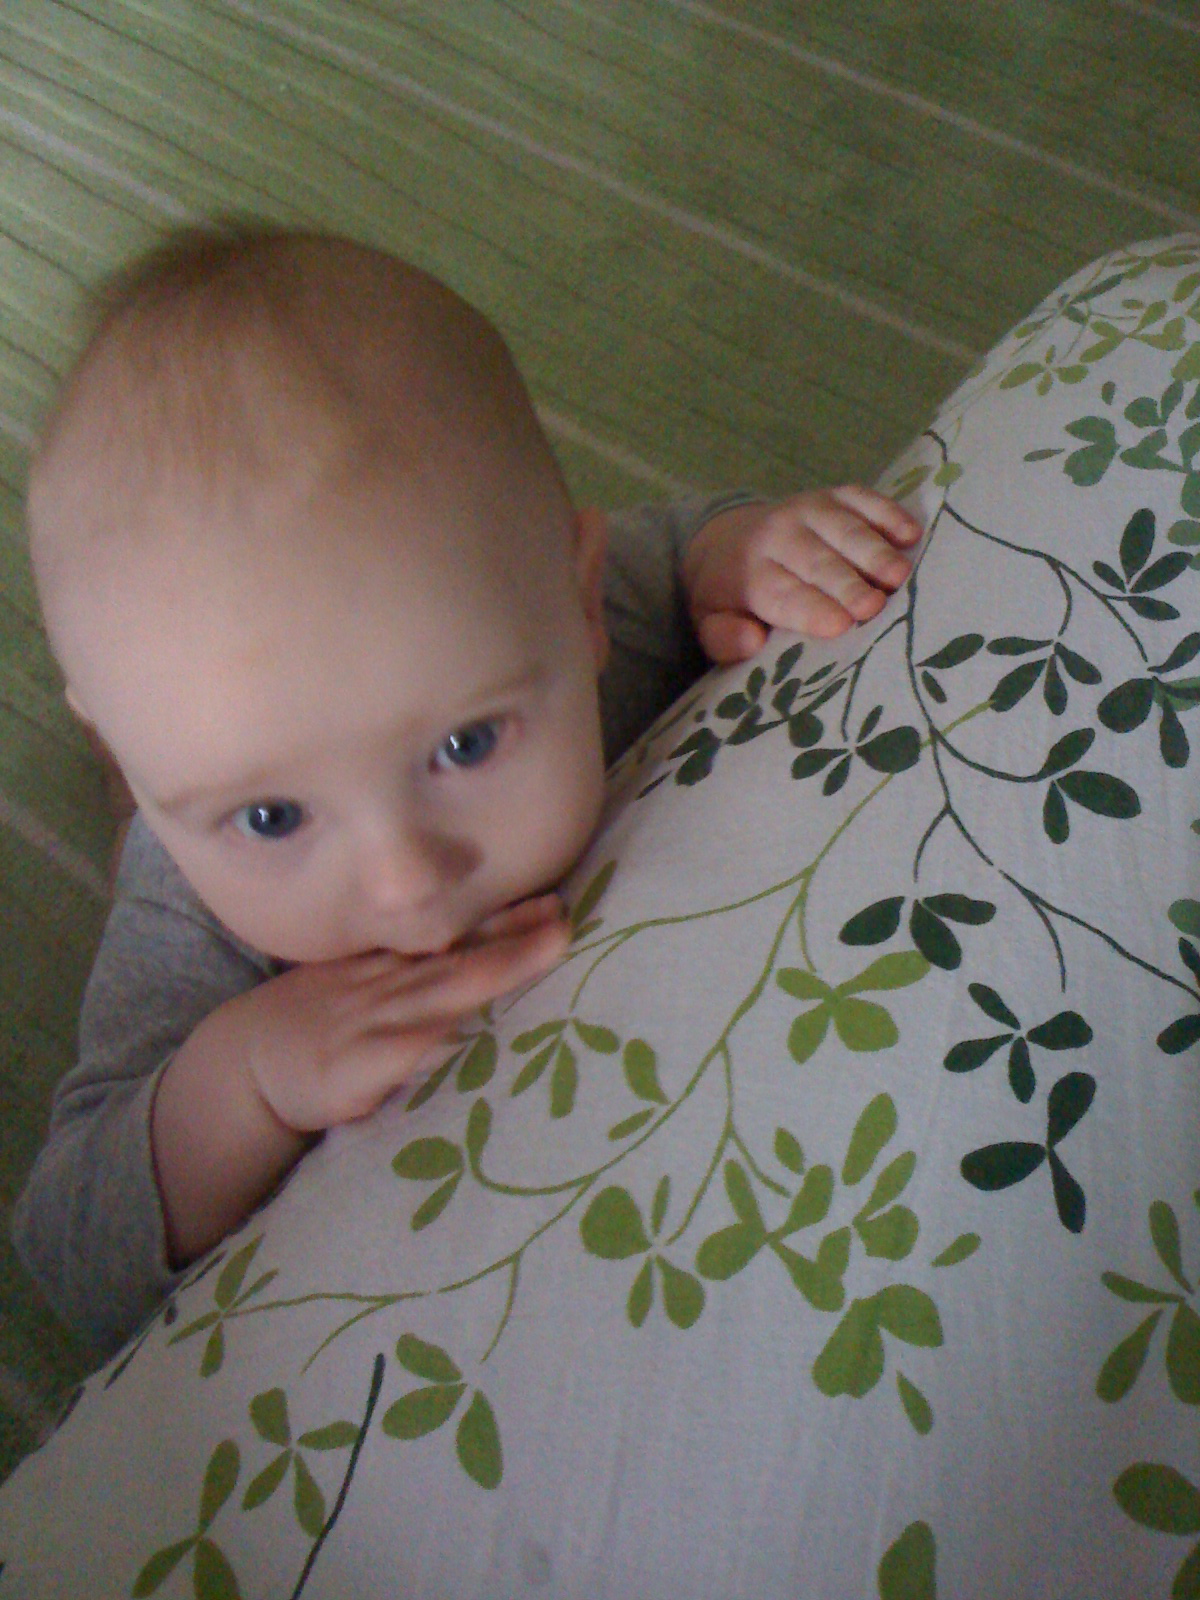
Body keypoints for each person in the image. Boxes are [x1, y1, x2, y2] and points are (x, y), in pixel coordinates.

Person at [13, 224, 923, 1357]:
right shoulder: (188, 914)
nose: (405, 879)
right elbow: (65, 1247)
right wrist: (244, 1080)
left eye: (464, 743)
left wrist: (730, 554)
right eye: (271, 817)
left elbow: (670, 548)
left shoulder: (555, 613)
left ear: (577, 605)